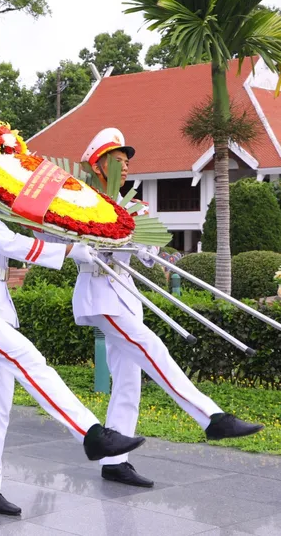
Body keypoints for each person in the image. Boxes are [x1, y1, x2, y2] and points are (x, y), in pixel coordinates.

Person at [0, 115, 146, 516]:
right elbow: (5, 240)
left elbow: (19, 235)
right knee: (30, 360)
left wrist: (69, 229)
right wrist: (67, 252)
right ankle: (91, 433)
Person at [70, 128, 262, 488]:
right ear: (97, 164)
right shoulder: (77, 200)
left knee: (128, 380)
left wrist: (145, 248)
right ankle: (212, 417)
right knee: (152, 348)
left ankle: (115, 461)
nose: (125, 167)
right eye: (117, 161)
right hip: (100, 294)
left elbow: (149, 249)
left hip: (127, 296)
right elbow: (53, 236)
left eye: (127, 162)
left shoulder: (132, 204)